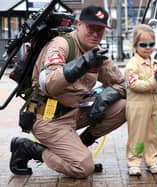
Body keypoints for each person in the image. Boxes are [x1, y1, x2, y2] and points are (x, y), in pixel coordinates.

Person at [9, 5, 126, 178]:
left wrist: (107, 97)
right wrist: (83, 64)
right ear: (79, 25)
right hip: (48, 118)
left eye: (100, 30)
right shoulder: (61, 44)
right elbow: (49, 84)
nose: (95, 34)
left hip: (75, 112)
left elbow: (122, 83)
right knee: (83, 168)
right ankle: (27, 148)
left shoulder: (97, 52)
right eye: (91, 28)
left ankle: (78, 148)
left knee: (124, 106)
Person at [124, 24, 157, 176]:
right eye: (143, 45)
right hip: (137, 106)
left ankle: (152, 160)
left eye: (151, 44)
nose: (148, 48)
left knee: (154, 134)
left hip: (155, 105)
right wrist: (154, 81)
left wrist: (152, 83)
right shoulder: (132, 65)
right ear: (135, 45)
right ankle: (134, 162)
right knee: (137, 134)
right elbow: (135, 85)